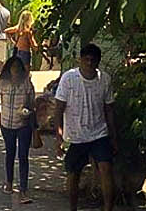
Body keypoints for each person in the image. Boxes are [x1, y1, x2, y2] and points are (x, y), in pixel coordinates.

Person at [54, 43, 117, 211]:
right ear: (80, 60)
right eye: (86, 59)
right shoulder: (69, 78)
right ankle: (73, 207)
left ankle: (108, 208)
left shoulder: (105, 79)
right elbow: (59, 108)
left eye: (93, 60)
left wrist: (113, 136)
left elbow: (109, 109)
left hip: (99, 133)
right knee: (73, 175)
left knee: (106, 169)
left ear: (98, 62)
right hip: (75, 136)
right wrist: (59, 136)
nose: (89, 63)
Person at [0, 55, 37, 205]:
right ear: (9, 69)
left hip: (23, 125)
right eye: (13, 67)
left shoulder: (26, 83)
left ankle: (23, 189)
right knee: (10, 153)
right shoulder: (2, 83)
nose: (15, 70)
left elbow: (32, 102)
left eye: (18, 67)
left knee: (23, 156)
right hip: (6, 124)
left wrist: (28, 113)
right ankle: (9, 182)